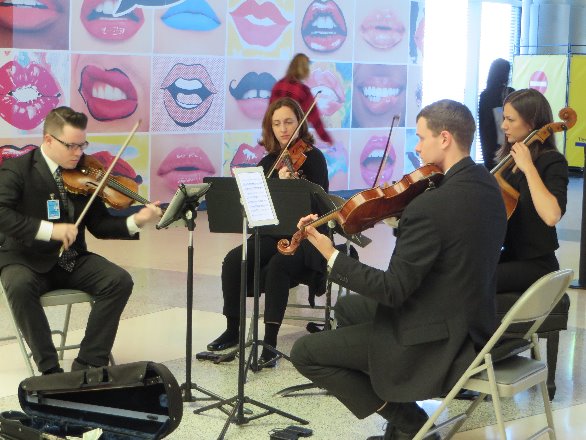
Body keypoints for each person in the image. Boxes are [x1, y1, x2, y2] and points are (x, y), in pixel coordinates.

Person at [290, 99, 507, 439]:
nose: (417, 147)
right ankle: (396, 421)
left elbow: (392, 290)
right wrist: (397, 218)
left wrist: (331, 255)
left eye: (421, 138)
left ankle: (411, 424)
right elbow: (447, 242)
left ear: (445, 138)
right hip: (471, 319)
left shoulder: (430, 206)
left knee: (305, 353)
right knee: (348, 308)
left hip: (435, 337)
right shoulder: (486, 184)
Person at [0, 106, 162, 375]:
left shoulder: (86, 171)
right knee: (18, 285)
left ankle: (89, 363)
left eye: (82, 145)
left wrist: (137, 220)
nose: (78, 153)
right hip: (26, 259)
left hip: (70, 260)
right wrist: (49, 230)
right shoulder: (17, 169)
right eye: (71, 146)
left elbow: (99, 224)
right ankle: (50, 371)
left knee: (118, 280)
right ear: (48, 140)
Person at [206, 97, 329, 368]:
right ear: (270, 128)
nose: (283, 129)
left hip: (307, 238)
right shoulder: (268, 162)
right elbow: (256, 206)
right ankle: (233, 330)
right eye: (277, 124)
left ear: (299, 123)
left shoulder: (314, 158)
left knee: (277, 266)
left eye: (289, 122)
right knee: (233, 260)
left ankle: (270, 344)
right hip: (272, 234)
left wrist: (293, 186)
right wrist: (271, 184)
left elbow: (319, 205)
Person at [497, 88, 568, 293]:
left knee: (477, 281)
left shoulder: (552, 162)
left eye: (510, 119)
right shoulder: (507, 163)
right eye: (504, 118)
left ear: (531, 123)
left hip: (537, 264)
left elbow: (551, 215)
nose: (503, 125)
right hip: (511, 255)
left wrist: (528, 167)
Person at [270, 53, 334, 145]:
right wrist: (326, 138)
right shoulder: (303, 90)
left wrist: (269, 137)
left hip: (277, 138)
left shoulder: (278, 85)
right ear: (305, 69)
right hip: (295, 139)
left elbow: (270, 114)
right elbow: (315, 119)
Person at [478, 58, 515, 170]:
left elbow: (482, 126)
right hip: (506, 142)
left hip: (488, 143)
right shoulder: (510, 93)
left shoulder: (484, 95)